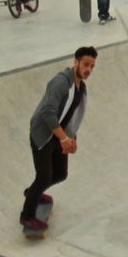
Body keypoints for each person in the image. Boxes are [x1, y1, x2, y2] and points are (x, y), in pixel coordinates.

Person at [19, 45, 98, 238]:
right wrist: (63, 138)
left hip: (59, 135)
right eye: (86, 64)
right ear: (76, 62)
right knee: (44, 176)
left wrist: (72, 138)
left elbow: (72, 115)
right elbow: (47, 112)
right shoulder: (61, 82)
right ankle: (27, 215)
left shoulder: (81, 88)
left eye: (92, 66)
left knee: (61, 174)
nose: (88, 69)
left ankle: (33, 192)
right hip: (44, 134)